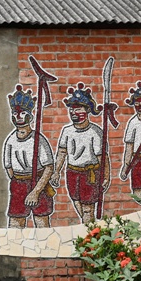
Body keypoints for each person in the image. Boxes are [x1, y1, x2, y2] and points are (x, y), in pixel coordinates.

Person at [2, 85, 55, 228]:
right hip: (19, 183)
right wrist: (18, 184)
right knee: (15, 222)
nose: (18, 116)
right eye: (15, 113)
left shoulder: (38, 140)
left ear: (30, 116)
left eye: (22, 113)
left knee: (41, 221)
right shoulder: (11, 140)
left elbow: (48, 168)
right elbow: (9, 167)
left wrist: (36, 191)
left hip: (38, 181)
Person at [55, 83, 108, 224]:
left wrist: (106, 176)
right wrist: (56, 171)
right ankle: (90, 226)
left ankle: (89, 234)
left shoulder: (95, 132)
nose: (73, 113)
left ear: (86, 110)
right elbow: (62, 152)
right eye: (72, 110)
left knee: (87, 208)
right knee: (77, 201)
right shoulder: (67, 131)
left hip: (89, 173)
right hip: (72, 172)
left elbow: (102, 157)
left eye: (78, 109)